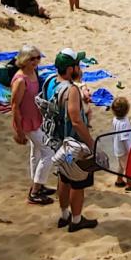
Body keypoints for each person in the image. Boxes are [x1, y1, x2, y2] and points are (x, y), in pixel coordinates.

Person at [44, 50, 97, 232]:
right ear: (70, 68)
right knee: (77, 181)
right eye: (78, 65)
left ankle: (64, 214)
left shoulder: (50, 81)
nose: (80, 68)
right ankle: (76, 220)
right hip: (73, 146)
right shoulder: (71, 89)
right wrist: (90, 142)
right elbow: (75, 119)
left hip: (58, 142)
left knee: (64, 177)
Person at [10, 45, 55, 205]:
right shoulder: (21, 80)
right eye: (32, 58)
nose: (36, 61)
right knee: (48, 152)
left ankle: (38, 184)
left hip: (36, 119)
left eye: (38, 57)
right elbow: (14, 105)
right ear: (24, 60)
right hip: (26, 122)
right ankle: (35, 191)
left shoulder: (33, 74)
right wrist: (19, 130)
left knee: (36, 152)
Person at [109, 97, 131, 191]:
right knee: (128, 168)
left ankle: (119, 180)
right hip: (124, 150)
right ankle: (129, 185)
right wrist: (130, 151)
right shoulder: (124, 123)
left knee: (121, 166)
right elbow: (124, 139)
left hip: (118, 148)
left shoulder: (115, 119)